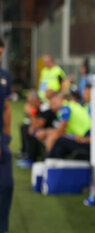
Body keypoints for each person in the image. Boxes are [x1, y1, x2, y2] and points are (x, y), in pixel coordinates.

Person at [43, 91, 91, 158]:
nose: (52, 106)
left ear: (61, 99)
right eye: (50, 104)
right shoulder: (71, 105)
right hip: (83, 136)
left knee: (58, 140)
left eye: (54, 103)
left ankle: (49, 160)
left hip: (85, 138)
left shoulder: (65, 108)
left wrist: (50, 136)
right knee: (55, 137)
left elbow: (60, 131)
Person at [0, 37, 13, 233]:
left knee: (6, 186)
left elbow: (7, 107)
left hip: (1, 139)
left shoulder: (4, 76)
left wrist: (7, 138)